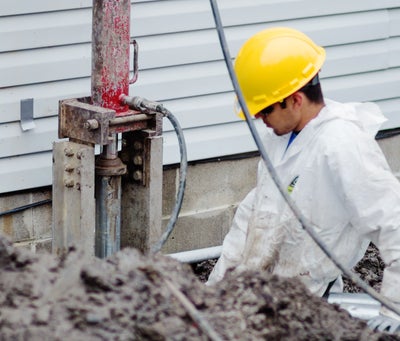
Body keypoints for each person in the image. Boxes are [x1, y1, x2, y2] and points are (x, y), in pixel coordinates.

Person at [207, 27, 400, 333]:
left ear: (295, 100)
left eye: (265, 109)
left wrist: (394, 311)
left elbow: (394, 224)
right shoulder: (280, 140)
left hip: (308, 308)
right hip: (256, 301)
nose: (260, 118)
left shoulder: (341, 145)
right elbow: (252, 217)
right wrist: (213, 293)